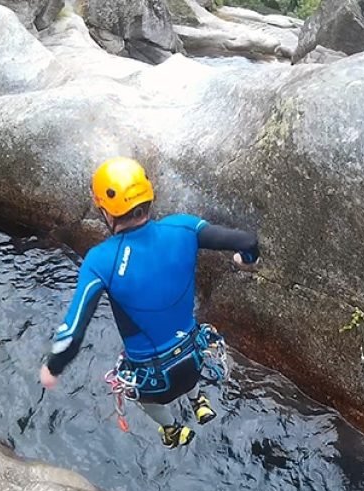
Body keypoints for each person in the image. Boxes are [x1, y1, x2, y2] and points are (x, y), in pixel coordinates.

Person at [39, 157, 260, 448]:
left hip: (155, 381)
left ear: (106, 211)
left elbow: (72, 333)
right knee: (185, 349)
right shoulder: (184, 227)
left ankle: (172, 430)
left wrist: (53, 368)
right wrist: (246, 259)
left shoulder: (100, 260)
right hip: (193, 359)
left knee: (146, 398)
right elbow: (247, 240)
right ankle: (200, 402)